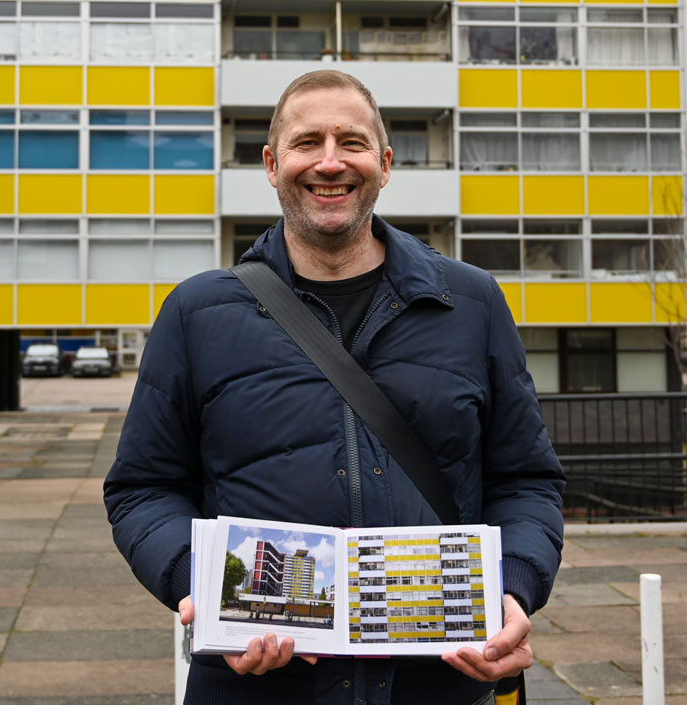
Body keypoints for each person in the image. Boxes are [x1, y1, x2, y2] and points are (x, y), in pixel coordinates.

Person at [104, 69, 565, 705]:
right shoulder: (198, 312)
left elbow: (524, 481)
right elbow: (143, 489)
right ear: (271, 163)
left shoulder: (471, 302)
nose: (329, 162)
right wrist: (202, 592)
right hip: (255, 690)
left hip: (437, 686)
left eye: (351, 142)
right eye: (306, 142)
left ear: (384, 162)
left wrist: (513, 589)